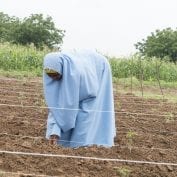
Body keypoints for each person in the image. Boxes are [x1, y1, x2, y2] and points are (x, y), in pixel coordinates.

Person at [43, 49, 116, 148]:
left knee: (85, 116)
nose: (54, 78)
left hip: (96, 76)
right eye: (50, 76)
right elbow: (57, 107)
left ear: (63, 69)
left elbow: (74, 102)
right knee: (68, 110)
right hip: (82, 76)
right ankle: (64, 143)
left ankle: (82, 145)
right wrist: (54, 131)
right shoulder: (55, 73)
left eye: (55, 75)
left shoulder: (77, 74)